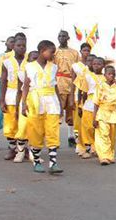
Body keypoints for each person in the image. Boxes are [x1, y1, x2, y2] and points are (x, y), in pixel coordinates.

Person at [21, 40, 63, 174]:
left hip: (51, 100)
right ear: (42, 50)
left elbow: (55, 86)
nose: (53, 55)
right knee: (36, 131)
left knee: (53, 130)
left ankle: (53, 163)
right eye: (51, 52)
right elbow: (26, 86)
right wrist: (23, 103)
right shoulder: (29, 66)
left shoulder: (54, 67)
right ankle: (37, 161)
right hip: (35, 100)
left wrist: (60, 104)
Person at [0, 34, 27, 160]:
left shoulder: (30, 61)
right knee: (10, 124)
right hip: (10, 94)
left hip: (26, 95)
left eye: (23, 46)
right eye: (18, 45)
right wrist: (1, 99)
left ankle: (23, 149)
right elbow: (3, 81)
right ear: (13, 46)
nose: (21, 48)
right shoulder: (7, 62)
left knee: (24, 123)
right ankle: (12, 148)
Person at [92, 65, 116, 165]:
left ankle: (110, 155)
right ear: (104, 75)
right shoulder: (100, 87)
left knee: (112, 137)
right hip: (102, 113)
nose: (111, 76)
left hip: (113, 114)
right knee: (103, 135)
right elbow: (96, 103)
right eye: (109, 74)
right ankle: (104, 157)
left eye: (113, 74)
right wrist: (94, 118)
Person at [54, 30, 80, 148]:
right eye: (59, 36)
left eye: (64, 36)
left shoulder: (74, 53)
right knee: (57, 113)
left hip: (71, 84)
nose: (61, 38)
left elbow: (78, 69)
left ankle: (71, 137)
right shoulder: (54, 52)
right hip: (58, 84)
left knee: (71, 112)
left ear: (68, 37)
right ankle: (54, 139)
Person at [14, 50, 39, 163]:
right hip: (26, 101)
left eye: (37, 58)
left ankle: (33, 154)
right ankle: (20, 152)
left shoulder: (43, 73)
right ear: (28, 61)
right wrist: (19, 106)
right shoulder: (22, 73)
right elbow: (20, 91)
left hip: (38, 102)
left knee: (36, 128)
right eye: (32, 58)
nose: (35, 61)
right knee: (23, 127)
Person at [80, 57, 105, 159]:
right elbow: (84, 92)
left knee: (99, 127)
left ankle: (97, 147)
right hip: (89, 104)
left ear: (103, 66)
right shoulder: (88, 76)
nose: (96, 66)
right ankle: (87, 147)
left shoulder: (106, 77)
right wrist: (81, 106)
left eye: (99, 64)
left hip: (102, 105)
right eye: (94, 64)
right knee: (87, 127)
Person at [71, 43, 92, 155]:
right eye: (84, 50)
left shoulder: (93, 64)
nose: (86, 52)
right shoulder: (75, 66)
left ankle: (90, 144)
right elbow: (73, 83)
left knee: (88, 123)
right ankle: (79, 143)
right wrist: (71, 98)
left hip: (90, 98)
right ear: (80, 51)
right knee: (78, 122)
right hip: (77, 96)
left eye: (88, 50)